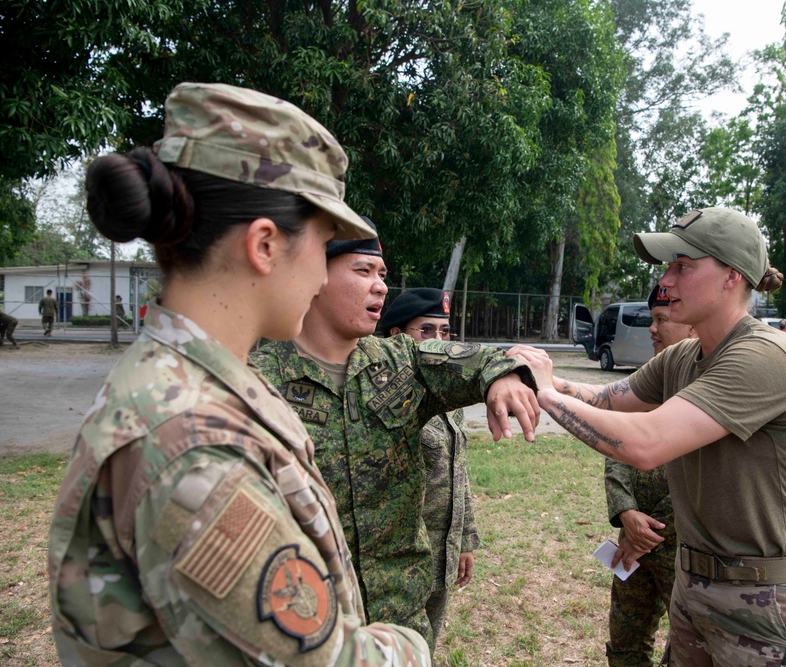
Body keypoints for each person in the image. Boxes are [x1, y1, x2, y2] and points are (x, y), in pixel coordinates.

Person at [48, 82, 428, 666]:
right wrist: (411, 646)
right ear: (266, 245)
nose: (324, 279)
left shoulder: (196, 382)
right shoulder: (191, 445)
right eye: (324, 242)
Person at [509, 207, 786, 666]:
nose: (665, 281)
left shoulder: (766, 355)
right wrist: (537, 375)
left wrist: (546, 396)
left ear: (731, 276)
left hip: (767, 604)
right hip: (696, 586)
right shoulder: (684, 355)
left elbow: (645, 444)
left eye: (682, 266)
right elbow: (604, 397)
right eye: (668, 267)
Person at [252, 225, 539, 652]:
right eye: (364, 270)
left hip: (399, 614)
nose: (380, 286)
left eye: (383, 274)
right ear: (315, 273)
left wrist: (504, 376)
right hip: (306, 620)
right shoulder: (258, 376)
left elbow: (472, 359)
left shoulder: (401, 359)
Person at [599, 282, 694, 666]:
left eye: (661, 320)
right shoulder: (644, 382)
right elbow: (615, 447)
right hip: (631, 537)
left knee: (687, 645)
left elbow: (700, 478)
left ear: (691, 327)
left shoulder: (709, 385)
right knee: (625, 638)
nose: (651, 329)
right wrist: (624, 511)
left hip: (683, 548)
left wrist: (651, 532)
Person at [379, 287, 479, 652]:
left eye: (445, 332)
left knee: (425, 649)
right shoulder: (382, 399)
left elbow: (459, 473)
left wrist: (465, 541)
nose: (440, 342)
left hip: (442, 553)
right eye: (427, 331)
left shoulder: (450, 397)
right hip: (398, 564)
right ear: (396, 336)